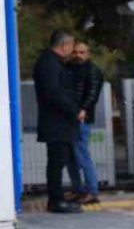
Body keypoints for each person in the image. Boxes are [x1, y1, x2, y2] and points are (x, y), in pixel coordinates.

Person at [33, 31, 83, 214]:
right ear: (64, 45)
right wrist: (75, 110)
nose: (72, 50)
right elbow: (54, 93)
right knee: (56, 162)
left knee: (60, 160)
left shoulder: (52, 62)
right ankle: (56, 200)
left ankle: (59, 197)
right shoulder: (49, 64)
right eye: (71, 46)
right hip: (56, 122)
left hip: (60, 122)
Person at [66, 42, 104, 204]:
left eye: (82, 52)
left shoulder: (93, 71)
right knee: (71, 156)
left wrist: (83, 110)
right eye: (75, 52)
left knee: (81, 155)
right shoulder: (70, 68)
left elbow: (93, 94)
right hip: (70, 116)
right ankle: (78, 189)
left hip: (81, 117)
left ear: (88, 54)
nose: (78, 55)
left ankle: (92, 191)